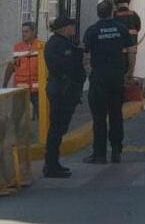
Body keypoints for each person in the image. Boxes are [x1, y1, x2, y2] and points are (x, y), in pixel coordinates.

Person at [83, 1, 133, 164]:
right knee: (116, 114)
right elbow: (129, 51)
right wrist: (129, 73)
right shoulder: (121, 29)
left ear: (98, 13)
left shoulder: (92, 31)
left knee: (99, 117)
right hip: (116, 76)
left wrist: (90, 71)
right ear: (112, 12)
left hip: (99, 77)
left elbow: (86, 55)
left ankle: (99, 154)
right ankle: (116, 150)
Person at [43, 17, 86, 178]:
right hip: (62, 90)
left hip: (63, 89)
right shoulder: (58, 44)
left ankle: (53, 163)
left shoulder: (60, 43)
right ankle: (51, 165)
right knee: (57, 128)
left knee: (59, 128)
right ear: (63, 28)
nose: (73, 28)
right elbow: (67, 66)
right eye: (70, 26)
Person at [3, 22, 43, 121]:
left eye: (26, 31)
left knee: (42, 116)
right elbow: (11, 67)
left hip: (37, 89)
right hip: (20, 89)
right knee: (16, 116)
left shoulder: (41, 46)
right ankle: (18, 135)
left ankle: (42, 136)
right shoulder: (17, 47)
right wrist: (4, 84)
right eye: (22, 31)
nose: (24, 34)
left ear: (34, 32)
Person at [114, 0, 141, 81]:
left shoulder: (114, 15)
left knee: (119, 68)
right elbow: (138, 27)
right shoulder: (134, 14)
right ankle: (128, 84)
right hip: (132, 45)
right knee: (130, 68)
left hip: (119, 46)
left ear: (117, 4)